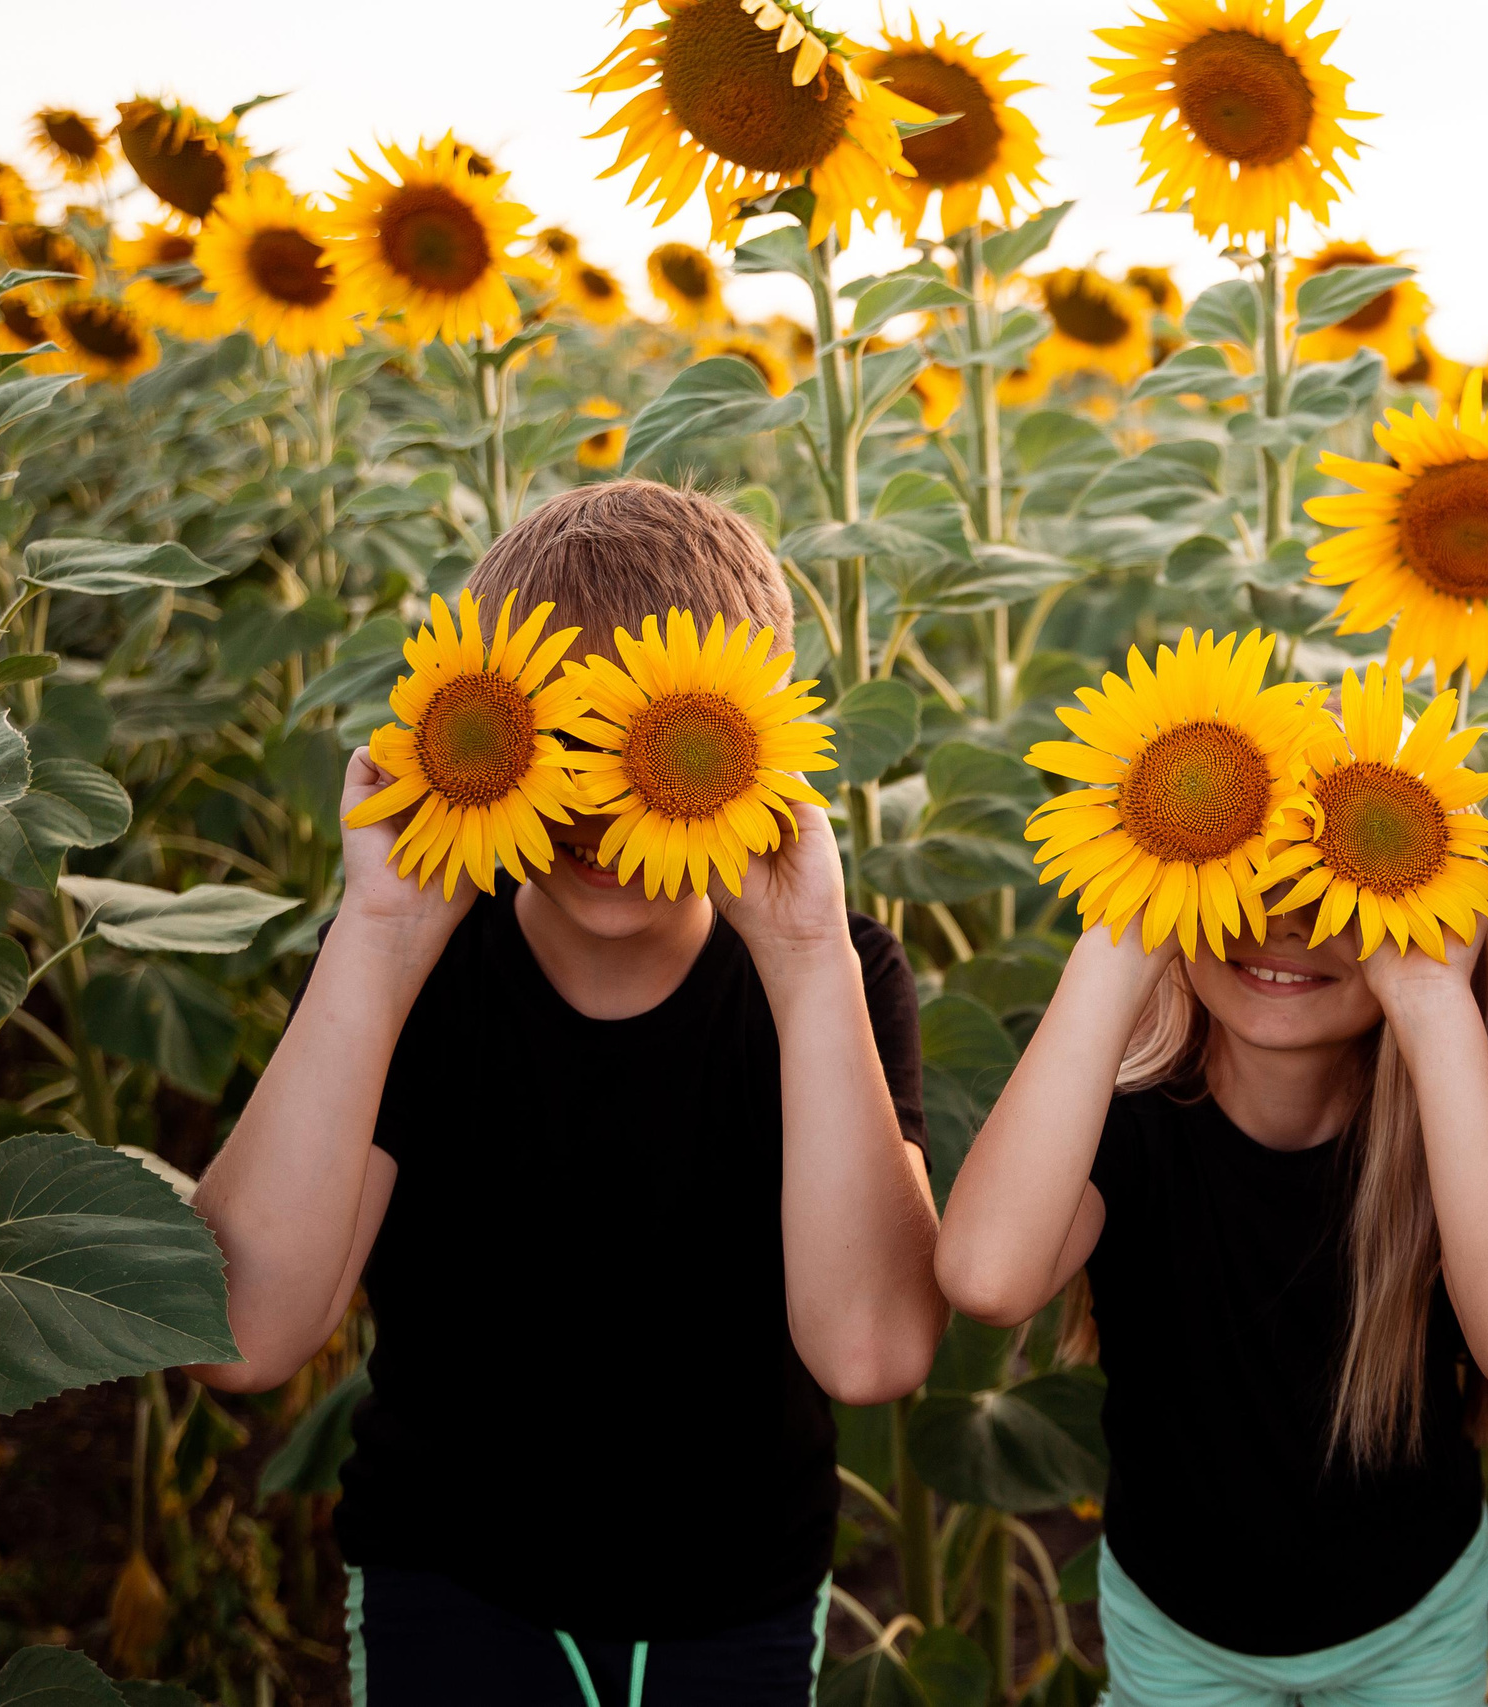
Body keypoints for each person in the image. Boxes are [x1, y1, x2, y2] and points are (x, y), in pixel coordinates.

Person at [188, 481, 946, 1706]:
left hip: (740, 1599)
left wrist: (805, 957)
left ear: (758, 748)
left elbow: (872, 1350)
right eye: (565, 742)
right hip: (450, 1586)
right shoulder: (423, 970)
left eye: (658, 743)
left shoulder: (834, 973)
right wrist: (381, 930)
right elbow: (242, 1336)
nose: (602, 802)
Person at [936, 889, 1488, 1705]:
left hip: (1410, 1624)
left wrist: (1430, 997)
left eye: (1336, 889)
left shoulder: (1447, 1128)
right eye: (1250, 877)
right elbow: (987, 1278)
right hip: (1176, 1628)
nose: (1286, 923)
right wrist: (1126, 938)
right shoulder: (1131, 1121)